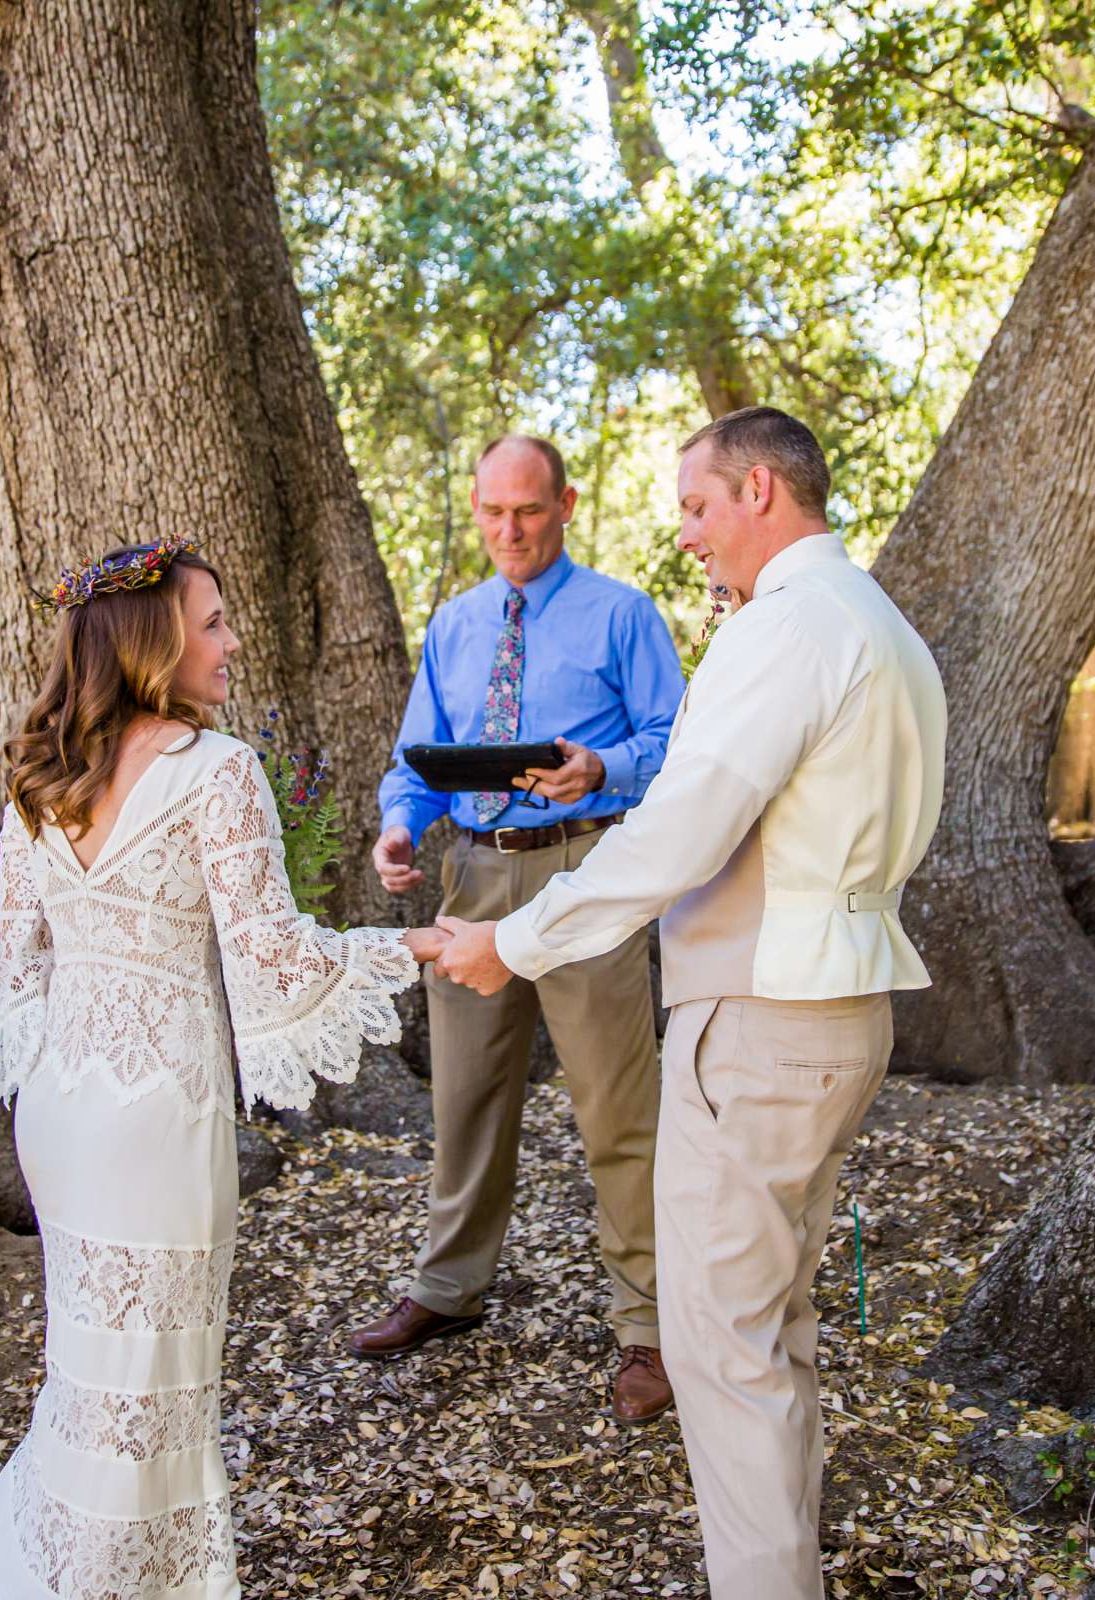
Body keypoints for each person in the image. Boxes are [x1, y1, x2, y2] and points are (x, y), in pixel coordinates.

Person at [435, 408, 947, 1599]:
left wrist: (517, 938)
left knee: (722, 1352)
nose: (689, 537)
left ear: (760, 492)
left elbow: (676, 830)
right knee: (775, 1330)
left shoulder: (784, 630)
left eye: (698, 508)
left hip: (762, 1021)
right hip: (840, 1007)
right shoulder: (880, 624)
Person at [0, 538, 448, 1600]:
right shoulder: (220, 772)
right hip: (158, 1113)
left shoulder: (38, 777)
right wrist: (414, 946)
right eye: (211, 622)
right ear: (153, 643)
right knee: (155, 1395)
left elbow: (20, 967)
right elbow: (278, 962)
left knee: (89, 1384)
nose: (231, 640)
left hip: (62, 1106)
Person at [349, 435, 685, 1422]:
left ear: (567, 503)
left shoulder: (622, 614)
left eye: (529, 511)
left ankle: (650, 1327)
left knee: (618, 1109)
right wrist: (399, 823)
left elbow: (678, 744)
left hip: (588, 867)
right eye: (493, 511)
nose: (510, 531)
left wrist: (604, 769)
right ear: (474, 503)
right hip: (475, 868)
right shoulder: (454, 625)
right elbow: (417, 758)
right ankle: (448, 1290)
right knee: (465, 1101)